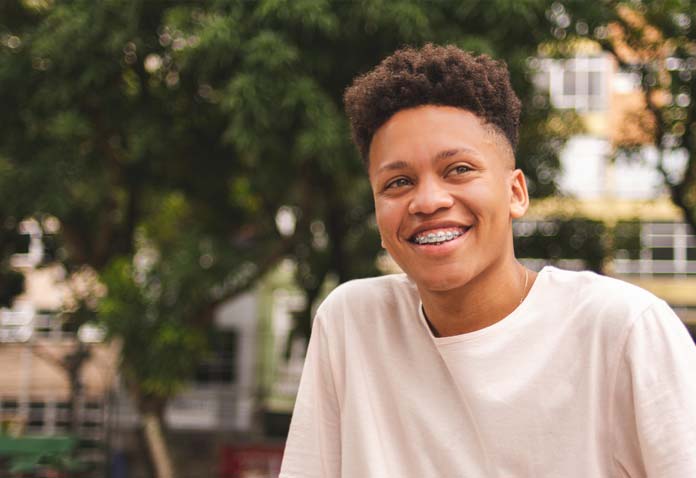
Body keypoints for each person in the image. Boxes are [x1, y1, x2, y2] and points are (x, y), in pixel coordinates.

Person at [279, 44, 696, 478]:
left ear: (516, 193)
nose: (427, 201)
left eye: (458, 169)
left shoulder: (622, 329)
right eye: (398, 182)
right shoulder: (353, 323)